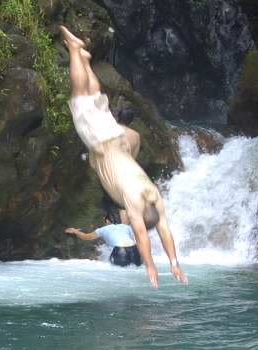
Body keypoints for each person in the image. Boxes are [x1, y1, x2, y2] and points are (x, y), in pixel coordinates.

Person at [60, 25, 188, 288]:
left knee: (96, 98)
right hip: (102, 143)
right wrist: (150, 266)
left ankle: (85, 61)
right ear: (140, 214)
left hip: (117, 138)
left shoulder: (154, 195)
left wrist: (175, 263)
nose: (129, 220)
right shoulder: (133, 202)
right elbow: (143, 235)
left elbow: (164, 229)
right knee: (80, 97)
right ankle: (74, 50)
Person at [65, 215, 142, 267]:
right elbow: (136, 238)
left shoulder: (103, 229)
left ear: (107, 221)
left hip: (120, 251)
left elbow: (86, 237)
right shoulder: (126, 227)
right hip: (134, 250)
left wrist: (75, 231)